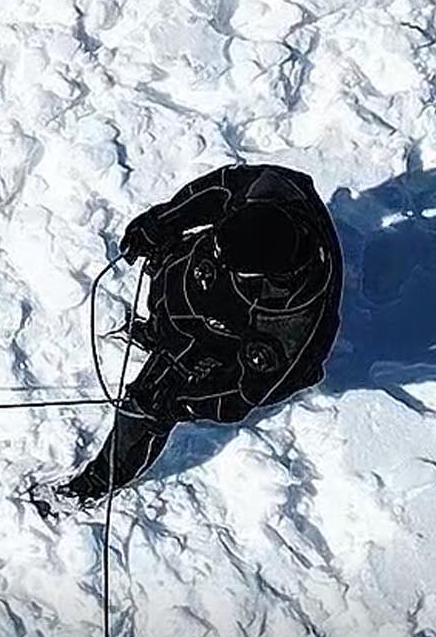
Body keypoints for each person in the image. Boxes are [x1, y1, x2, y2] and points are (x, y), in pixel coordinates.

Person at [52, 163, 343, 507]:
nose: (219, 261)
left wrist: (184, 399)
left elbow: (242, 394)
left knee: (147, 404)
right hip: (187, 281)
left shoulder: (297, 325)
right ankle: (157, 331)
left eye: (229, 265)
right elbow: (215, 191)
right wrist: (161, 223)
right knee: (173, 275)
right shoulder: (271, 191)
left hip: (216, 340)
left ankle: (98, 482)